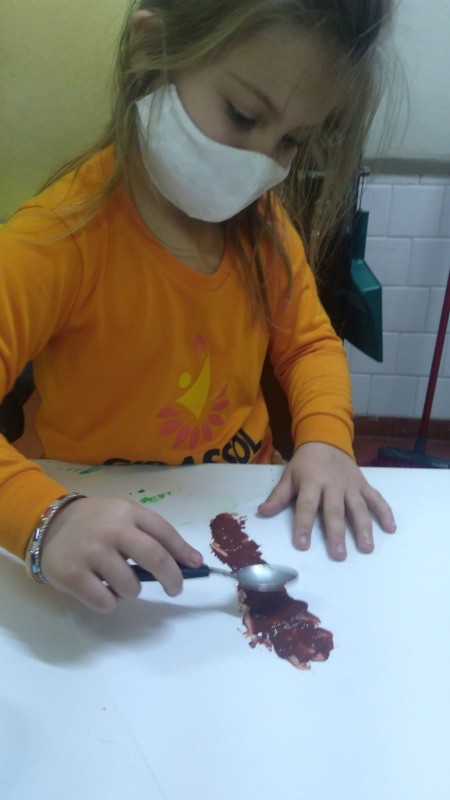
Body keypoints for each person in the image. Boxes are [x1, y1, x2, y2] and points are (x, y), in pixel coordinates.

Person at [0, 0, 397, 613]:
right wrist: (44, 519)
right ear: (152, 50)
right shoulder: (60, 239)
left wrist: (326, 440)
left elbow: (310, 344)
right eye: (242, 115)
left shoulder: (265, 229)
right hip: (97, 539)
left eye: (290, 140)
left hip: (248, 511)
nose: (260, 161)